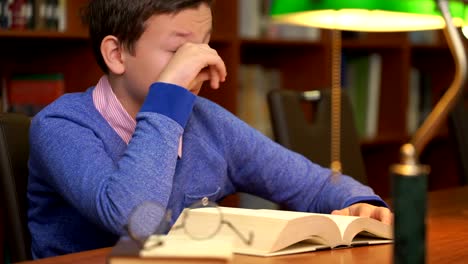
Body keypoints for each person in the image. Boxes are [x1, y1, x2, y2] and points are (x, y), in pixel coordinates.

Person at [27, 0, 392, 259]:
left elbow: (311, 183)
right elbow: (134, 220)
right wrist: (167, 97)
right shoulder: (61, 126)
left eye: (203, 46)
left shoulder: (207, 121)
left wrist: (359, 203)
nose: (204, 61)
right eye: (179, 51)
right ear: (117, 55)